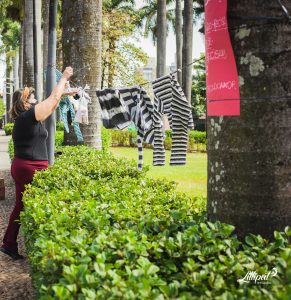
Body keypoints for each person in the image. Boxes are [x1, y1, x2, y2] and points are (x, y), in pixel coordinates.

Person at [0, 67, 76, 260]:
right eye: (33, 98)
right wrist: (65, 77)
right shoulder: (27, 117)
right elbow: (51, 100)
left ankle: (9, 243)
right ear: (25, 103)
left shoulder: (29, 119)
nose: (35, 100)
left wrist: (63, 93)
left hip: (26, 165)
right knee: (44, 204)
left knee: (21, 205)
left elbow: (52, 105)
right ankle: (45, 248)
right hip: (30, 167)